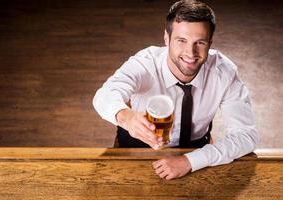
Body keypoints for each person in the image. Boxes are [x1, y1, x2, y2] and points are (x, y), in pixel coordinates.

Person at [93, 0, 258, 180]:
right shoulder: (144, 63)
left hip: (196, 153)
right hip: (135, 148)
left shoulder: (224, 72)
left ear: (210, 43)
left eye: (200, 42)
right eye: (181, 40)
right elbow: (105, 95)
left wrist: (191, 161)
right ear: (166, 38)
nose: (190, 52)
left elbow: (246, 135)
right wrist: (127, 117)